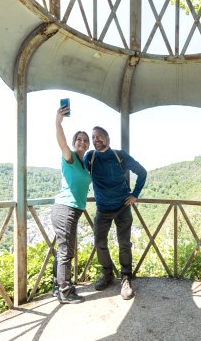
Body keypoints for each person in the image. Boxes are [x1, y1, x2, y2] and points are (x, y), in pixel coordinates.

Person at [84, 126, 147, 300]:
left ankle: (126, 278)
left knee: (124, 243)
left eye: (100, 136)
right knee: (99, 243)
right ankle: (107, 274)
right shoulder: (90, 157)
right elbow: (78, 170)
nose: (97, 139)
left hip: (122, 207)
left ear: (108, 138)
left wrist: (135, 194)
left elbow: (142, 172)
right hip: (102, 208)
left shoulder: (120, 156)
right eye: (94, 137)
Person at [51, 105, 92, 304]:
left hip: (72, 211)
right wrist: (58, 122)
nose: (82, 142)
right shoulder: (70, 158)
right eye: (79, 139)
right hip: (65, 209)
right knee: (66, 251)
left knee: (63, 249)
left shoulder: (85, 164)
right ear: (75, 143)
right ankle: (65, 292)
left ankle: (56, 286)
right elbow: (62, 143)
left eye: (85, 140)